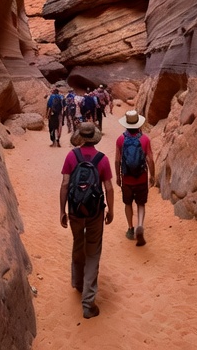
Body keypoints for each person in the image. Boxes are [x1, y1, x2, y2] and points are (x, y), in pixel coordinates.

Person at [60, 121, 114, 318]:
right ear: (94, 137)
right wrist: (111, 210)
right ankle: (88, 301)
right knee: (93, 252)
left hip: (74, 211)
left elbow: (65, 184)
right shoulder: (102, 160)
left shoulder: (71, 156)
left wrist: (62, 210)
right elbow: (108, 187)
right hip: (94, 213)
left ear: (80, 137)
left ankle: (78, 282)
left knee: (77, 242)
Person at [115, 109, 155, 246]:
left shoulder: (121, 139)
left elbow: (117, 160)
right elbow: (150, 159)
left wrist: (118, 177)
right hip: (141, 178)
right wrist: (152, 175)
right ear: (138, 124)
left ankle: (131, 229)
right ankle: (140, 225)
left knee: (128, 203)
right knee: (141, 203)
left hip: (127, 178)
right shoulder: (144, 139)